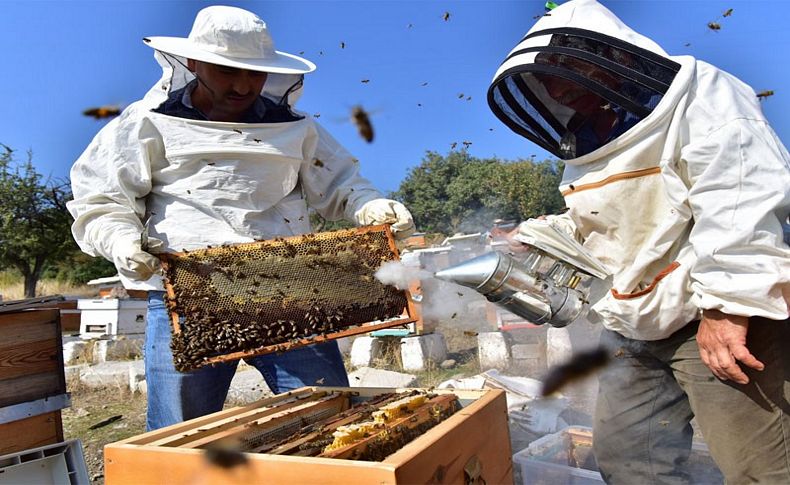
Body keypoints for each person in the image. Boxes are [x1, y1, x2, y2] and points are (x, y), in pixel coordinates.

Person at [67, 5, 415, 431]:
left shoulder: (298, 128)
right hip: (190, 292)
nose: (243, 85)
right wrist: (122, 239)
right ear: (193, 63)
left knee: (331, 419)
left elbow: (341, 182)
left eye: (254, 73)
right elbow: (102, 198)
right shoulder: (145, 123)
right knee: (180, 435)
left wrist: (368, 205)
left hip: (292, 286)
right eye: (228, 71)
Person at [487, 0, 789, 483]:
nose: (558, 89)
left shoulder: (702, 93)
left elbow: (740, 196)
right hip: (631, 326)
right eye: (547, 81)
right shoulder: (585, 144)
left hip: (707, 317)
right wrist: (537, 237)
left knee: (758, 468)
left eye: (567, 69)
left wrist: (728, 308)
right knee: (629, 461)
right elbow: (601, 226)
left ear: (616, 55)